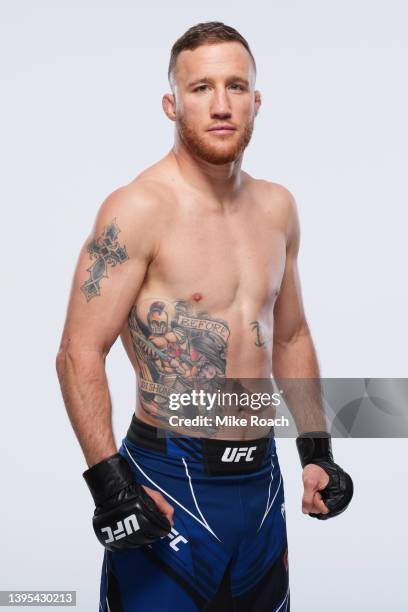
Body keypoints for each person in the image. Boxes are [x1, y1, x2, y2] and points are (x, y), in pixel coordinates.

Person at [56, 21, 353, 612]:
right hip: (168, 479)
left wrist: (316, 450)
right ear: (172, 103)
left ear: (255, 101)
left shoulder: (277, 208)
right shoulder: (138, 209)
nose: (221, 105)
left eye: (235, 86)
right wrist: (109, 485)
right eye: (200, 88)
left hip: (260, 483)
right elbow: (78, 351)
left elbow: (289, 332)